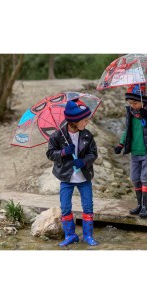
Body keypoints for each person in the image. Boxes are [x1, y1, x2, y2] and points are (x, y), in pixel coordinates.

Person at [46, 99, 98, 246]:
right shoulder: (58, 135)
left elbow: (93, 153)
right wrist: (62, 152)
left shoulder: (87, 135)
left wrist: (84, 161)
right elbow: (50, 153)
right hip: (66, 177)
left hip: (84, 177)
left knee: (88, 206)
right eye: (84, 119)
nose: (87, 122)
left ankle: (88, 235)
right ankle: (70, 235)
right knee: (65, 207)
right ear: (74, 121)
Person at [114, 84, 147, 218]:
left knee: (145, 178)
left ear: (142, 100)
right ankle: (139, 205)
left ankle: (145, 207)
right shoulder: (131, 113)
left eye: (135, 103)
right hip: (134, 152)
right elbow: (127, 130)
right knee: (135, 178)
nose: (132, 105)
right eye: (130, 103)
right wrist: (121, 143)